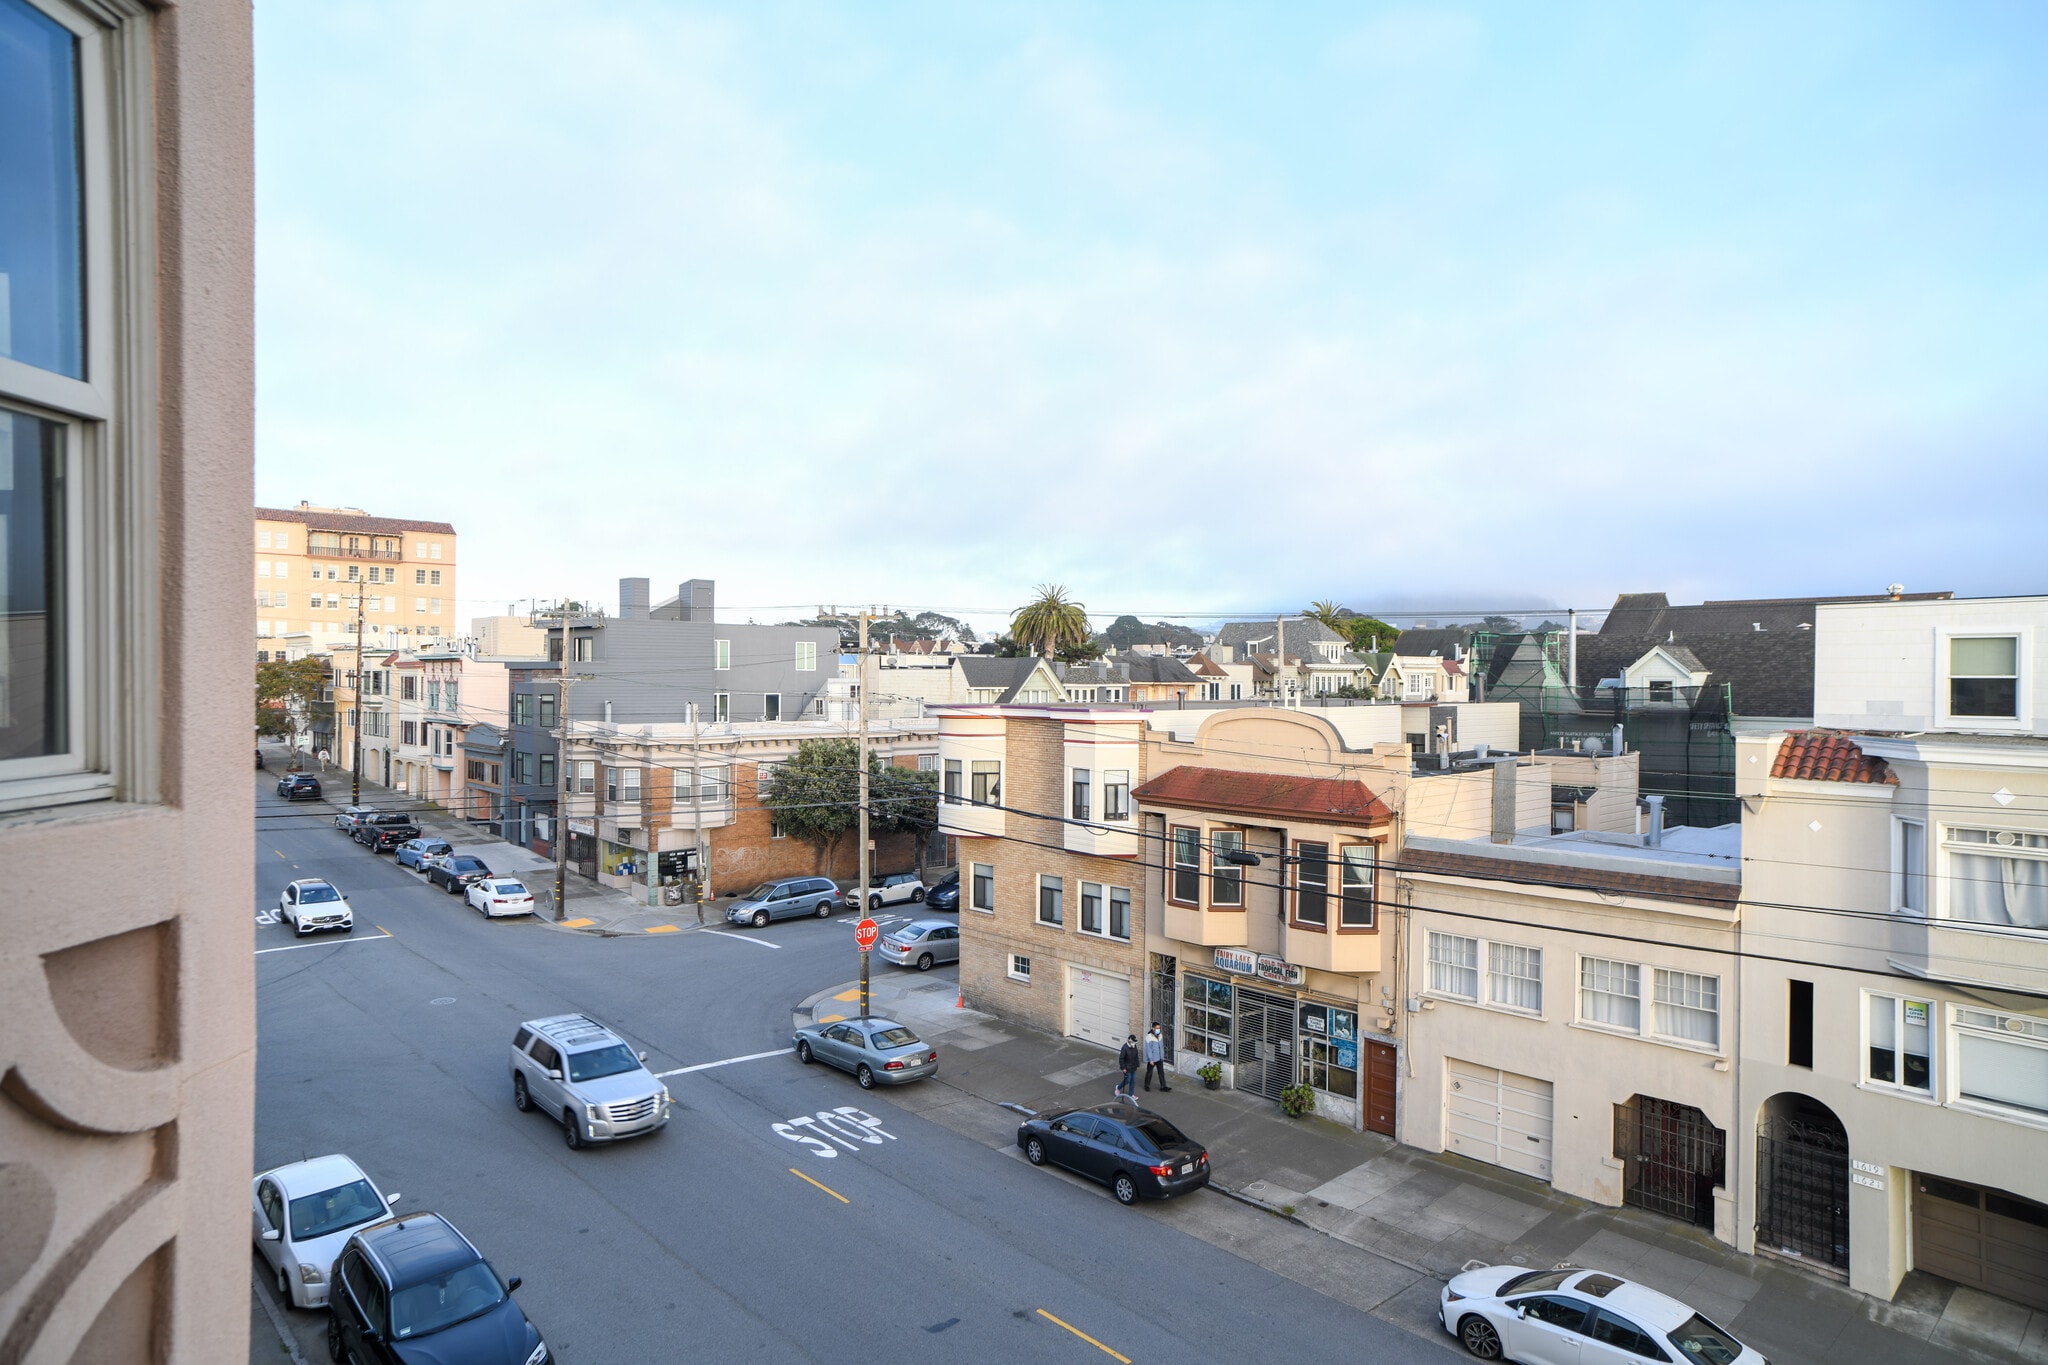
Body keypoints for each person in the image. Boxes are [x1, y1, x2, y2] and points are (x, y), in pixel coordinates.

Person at [1143, 1023, 1171, 1092]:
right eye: (1157, 1028)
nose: (1158, 1030)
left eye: (1159, 1028)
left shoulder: (1160, 1035)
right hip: (1152, 1058)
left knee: (1161, 1072)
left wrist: (1162, 1055)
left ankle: (1163, 1086)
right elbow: (1148, 1049)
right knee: (1149, 1072)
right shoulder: (1149, 1037)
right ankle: (1147, 1085)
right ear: (1153, 1028)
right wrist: (1150, 1059)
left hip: (1159, 1058)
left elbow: (1161, 1046)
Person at [1116, 1034, 1140, 1101]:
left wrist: (1137, 1064)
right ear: (1129, 1041)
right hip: (1127, 1067)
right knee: (1128, 1080)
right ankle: (1118, 1088)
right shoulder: (1124, 1047)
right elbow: (1121, 1059)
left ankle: (1131, 1094)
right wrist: (1123, 1068)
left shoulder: (1134, 1046)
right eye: (1132, 1042)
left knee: (1133, 1080)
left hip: (1133, 1066)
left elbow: (1136, 1055)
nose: (1133, 1044)